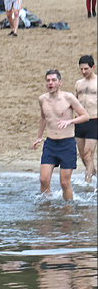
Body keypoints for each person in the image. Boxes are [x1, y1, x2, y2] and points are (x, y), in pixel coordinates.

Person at [33, 69, 89, 200]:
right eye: (48, 80)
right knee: (43, 179)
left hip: (67, 143)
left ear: (60, 82)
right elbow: (43, 118)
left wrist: (70, 121)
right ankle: (47, 206)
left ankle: (67, 211)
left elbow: (85, 116)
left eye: (53, 80)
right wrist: (39, 137)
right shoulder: (42, 99)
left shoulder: (68, 98)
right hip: (50, 143)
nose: (50, 83)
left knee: (64, 183)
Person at [74, 55, 97, 182]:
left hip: (94, 120)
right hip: (80, 121)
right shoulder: (78, 83)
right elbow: (74, 101)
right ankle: (94, 173)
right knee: (83, 155)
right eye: (81, 69)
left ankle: (87, 182)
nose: (83, 72)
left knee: (89, 154)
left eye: (86, 69)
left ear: (93, 67)